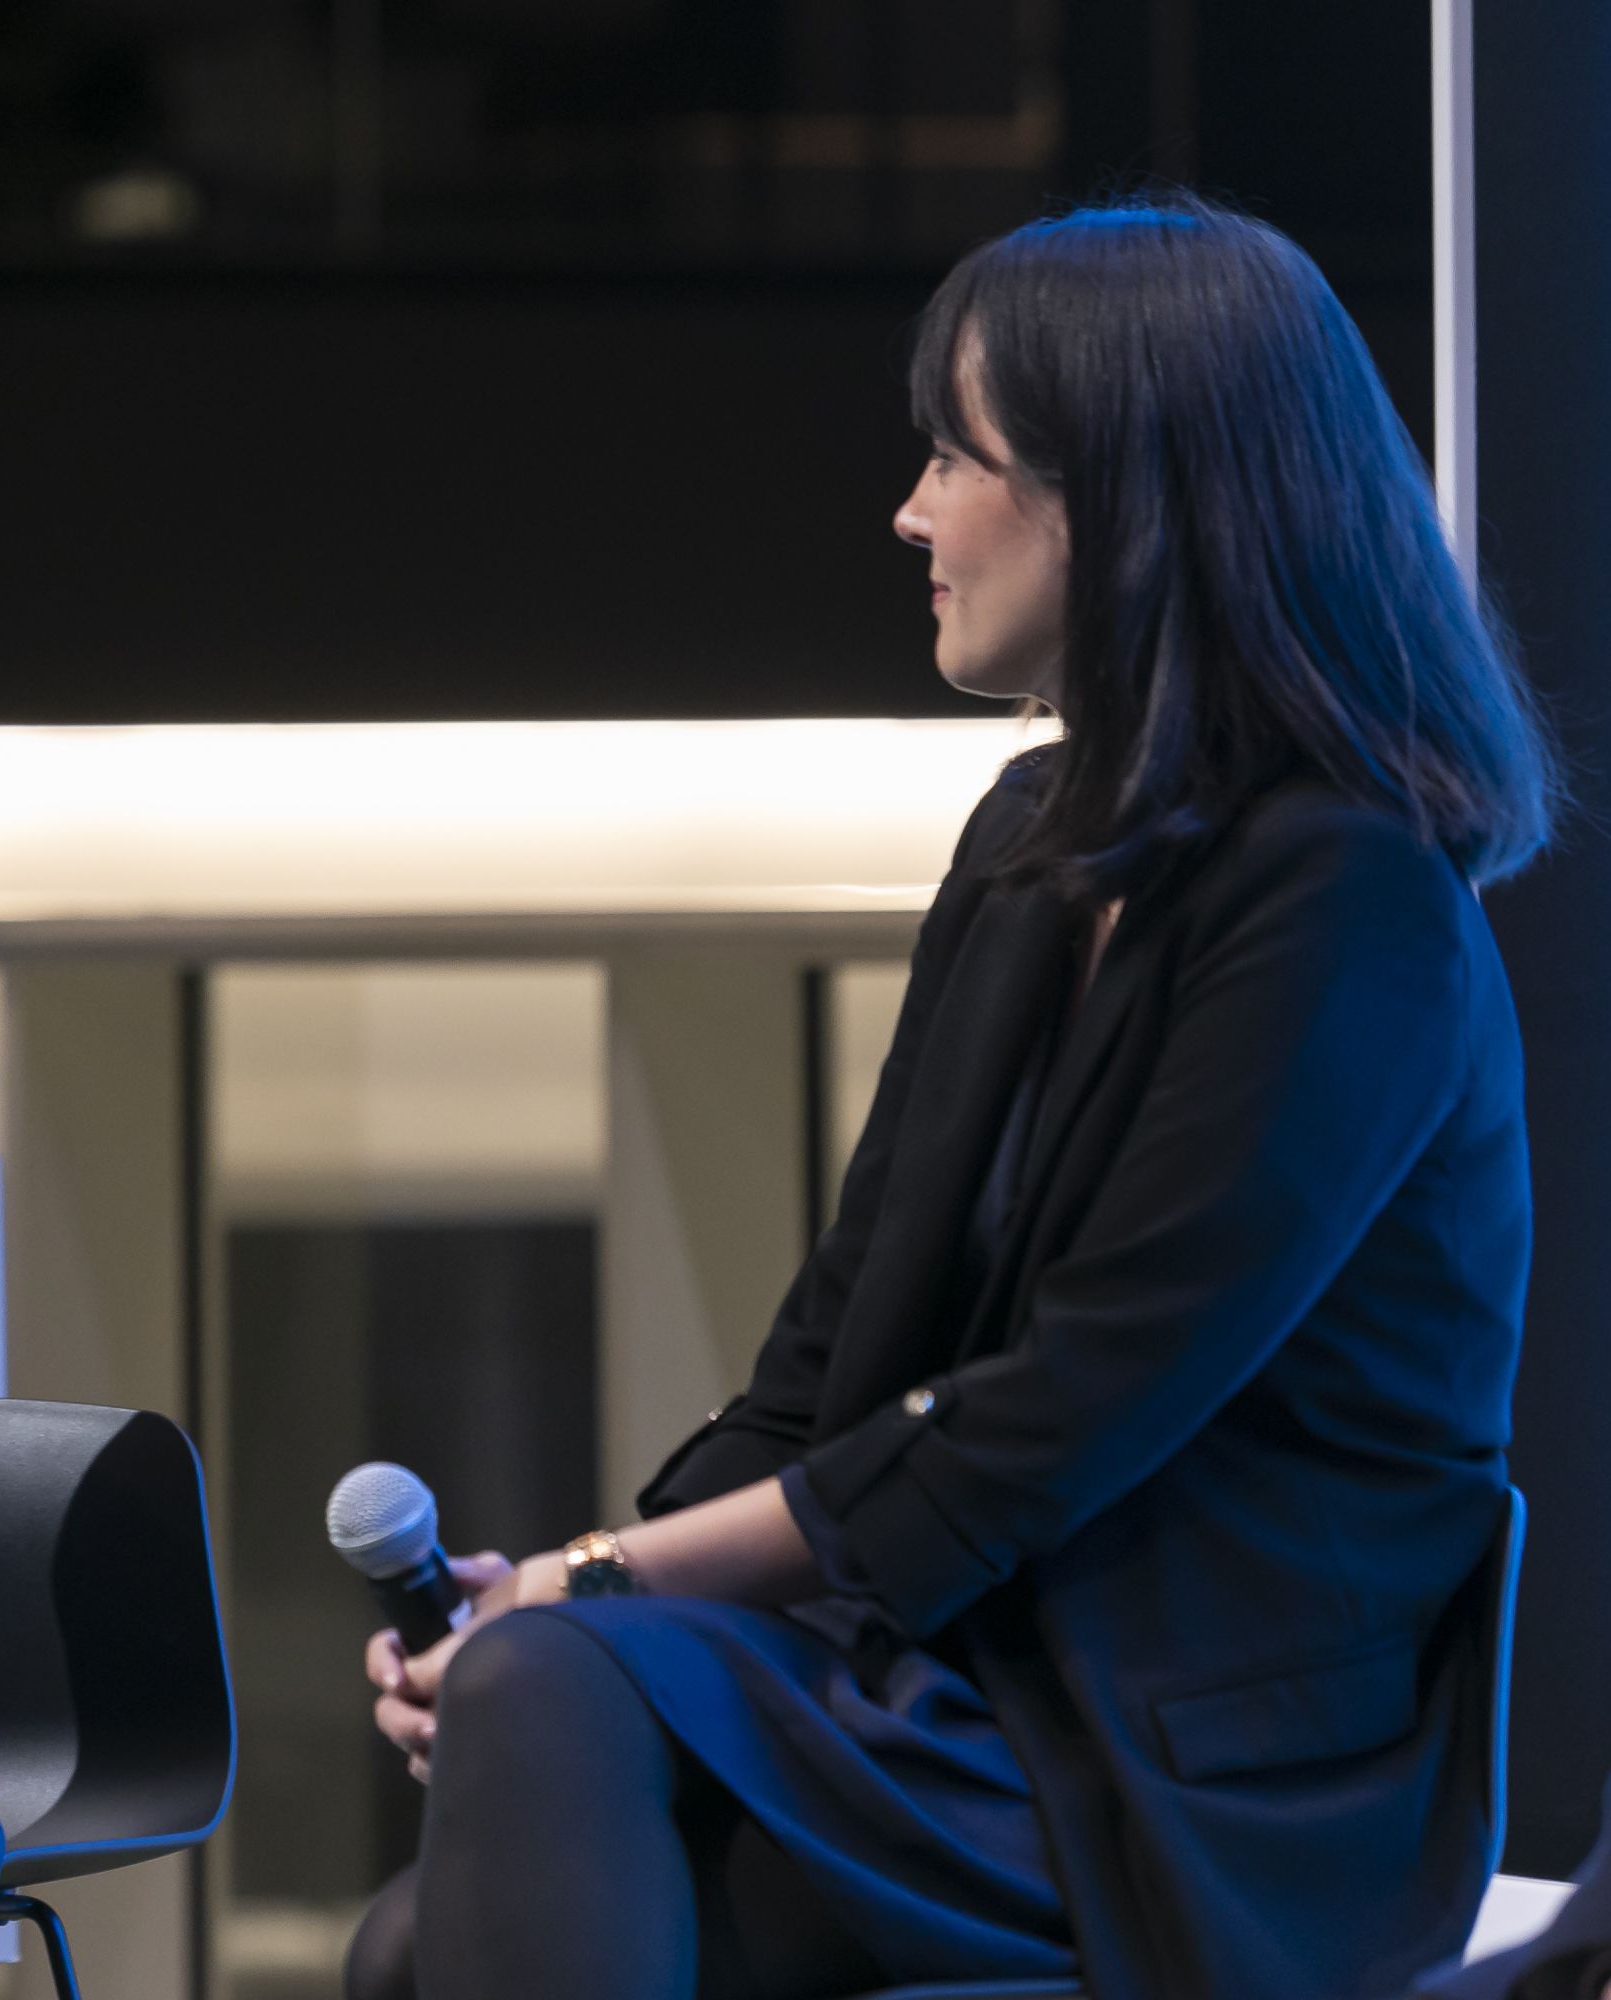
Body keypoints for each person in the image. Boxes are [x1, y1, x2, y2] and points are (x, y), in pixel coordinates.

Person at [348, 197, 1559, 2000]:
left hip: (1207, 1768)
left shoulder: (1349, 898)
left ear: (1131, 497)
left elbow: (1061, 1412)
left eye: (954, 456)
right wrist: (558, 1585)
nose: (913, 514)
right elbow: (827, 1368)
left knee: (508, 1785)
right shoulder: (1027, 847)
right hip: (958, 1693)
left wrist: (596, 1590)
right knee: (420, 1924)